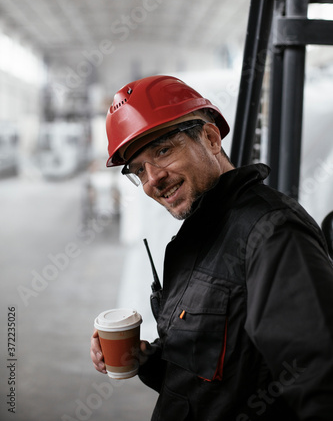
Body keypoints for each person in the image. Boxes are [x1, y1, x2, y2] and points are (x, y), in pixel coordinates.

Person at [90, 75, 333, 420]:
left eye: (162, 150)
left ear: (210, 137)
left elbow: (318, 382)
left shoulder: (271, 234)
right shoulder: (197, 234)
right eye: (139, 170)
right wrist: (146, 359)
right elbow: (214, 373)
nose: (152, 179)